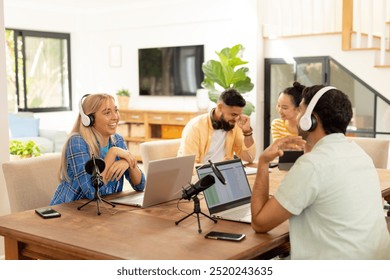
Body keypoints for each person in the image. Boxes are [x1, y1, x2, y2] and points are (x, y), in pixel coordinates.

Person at [251, 85, 390, 259]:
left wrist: (263, 162)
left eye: (300, 110)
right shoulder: (359, 154)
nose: (297, 116)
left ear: (311, 119)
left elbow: (259, 222)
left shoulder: (312, 165)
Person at [50, 94, 145, 205]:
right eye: (107, 112)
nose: (115, 117)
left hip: (102, 209)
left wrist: (128, 162)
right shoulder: (77, 143)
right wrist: (112, 152)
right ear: (90, 119)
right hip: (69, 211)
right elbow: (93, 192)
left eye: (116, 110)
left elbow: (140, 185)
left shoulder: (117, 140)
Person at [177, 88, 256, 164]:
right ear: (220, 107)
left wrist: (247, 132)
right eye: (233, 114)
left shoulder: (233, 125)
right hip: (199, 175)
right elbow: (189, 165)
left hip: (224, 173)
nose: (236, 119)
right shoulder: (195, 127)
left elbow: (249, 158)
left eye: (239, 115)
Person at [271, 82, 304, 146]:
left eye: (284, 108)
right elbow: (279, 149)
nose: (279, 110)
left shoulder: (308, 127)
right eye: (278, 105)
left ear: (298, 109)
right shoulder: (277, 124)